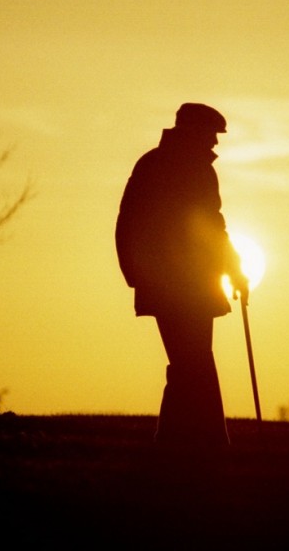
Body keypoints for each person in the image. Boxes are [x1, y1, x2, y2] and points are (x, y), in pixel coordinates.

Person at [115, 102, 249, 447]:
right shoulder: (189, 168)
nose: (215, 143)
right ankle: (205, 441)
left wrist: (136, 273)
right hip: (186, 281)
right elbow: (210, 227)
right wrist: (234, 270)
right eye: (212, 134)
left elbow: (127, 221)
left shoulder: (153, 163)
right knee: (193, 362)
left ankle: (181, 440)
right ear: (193, 131)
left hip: (173, 281)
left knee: (188, 362)